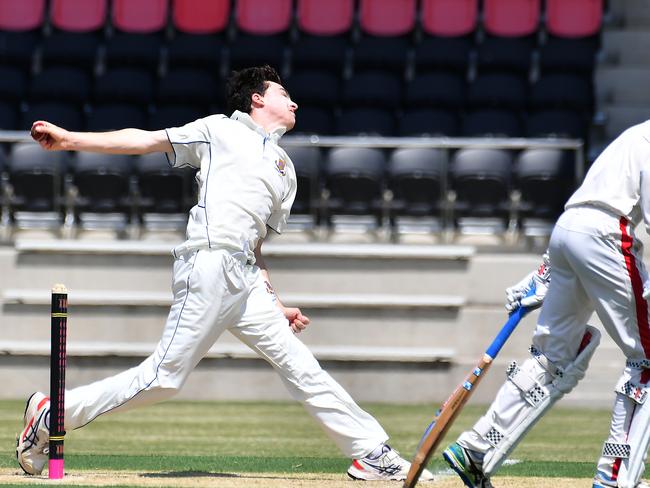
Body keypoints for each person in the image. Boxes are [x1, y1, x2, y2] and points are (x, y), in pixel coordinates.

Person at [16, 65, 433, 483]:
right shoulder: (218, 129)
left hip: (246, 279)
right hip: (209, 263)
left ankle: (370, 453)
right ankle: (52, 413)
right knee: (164, 379)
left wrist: (275, 302)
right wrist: (70, 139)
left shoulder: (284, 168)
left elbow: (256, 247)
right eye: (283, 93)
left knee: (300, 364)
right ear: (256, 99)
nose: (294, 102)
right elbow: (145, 140)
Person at [442, 120, 650, 488]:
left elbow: (588, 205)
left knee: (550, 358)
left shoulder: (635, 134)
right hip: (606, 235)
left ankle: (476, 447)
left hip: (567, 230)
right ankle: (613, 477)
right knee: (645, 361)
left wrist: (547, 266)